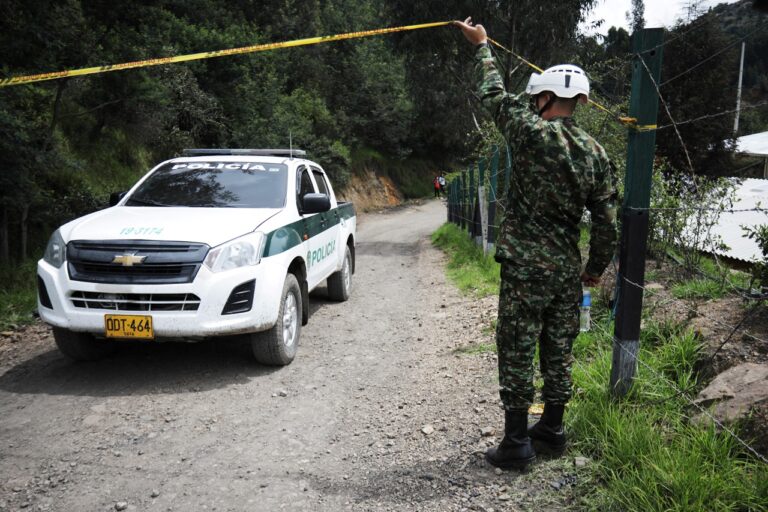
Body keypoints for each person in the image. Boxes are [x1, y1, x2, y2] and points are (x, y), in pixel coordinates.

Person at [455, 17, 617, 470]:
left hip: (525, 270)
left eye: (536, 97)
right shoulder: (596, 153)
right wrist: (594, 269)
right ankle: (552, 429)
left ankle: (515, 442)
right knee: (558, 349)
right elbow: (607, 223)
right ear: (579, 101)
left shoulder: (528, 131)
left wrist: (482, 45)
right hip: (567, 270)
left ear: (546, 98)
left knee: (517, 346)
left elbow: (491, 94)